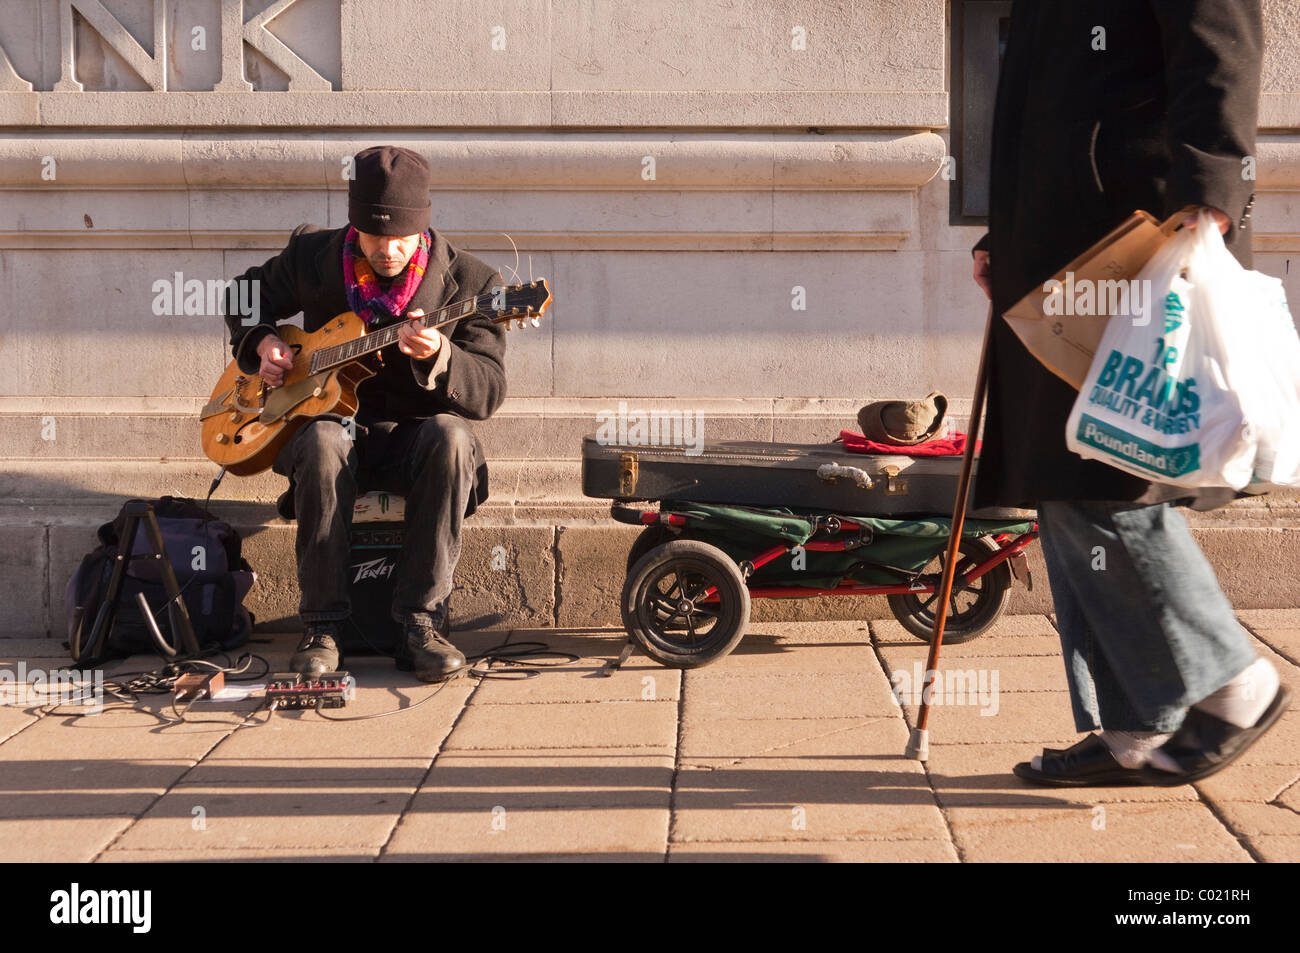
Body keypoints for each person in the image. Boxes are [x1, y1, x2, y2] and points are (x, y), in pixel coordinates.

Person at [970, 1, 1289, 785]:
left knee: (1104, 473)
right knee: (1060, 475)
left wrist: (1212, 184)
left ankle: (1227, 678)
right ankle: (1136, 728)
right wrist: (1002, 230)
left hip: (1137, 229)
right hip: (1059, 237)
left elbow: (1220, 38)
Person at [224, 145, 507, 682]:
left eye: (400, 238)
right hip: (332, 435)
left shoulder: (473, 284)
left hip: (416, 444)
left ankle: (421, 623)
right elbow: (243, 295)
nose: (387, 250)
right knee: (325, 441)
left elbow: (488, 391)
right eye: (374, 237)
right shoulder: (314, 254)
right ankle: (323, 627)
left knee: (452, 436)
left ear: (422, 227)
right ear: (354, 222)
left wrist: (441, 357)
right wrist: (262, 341)